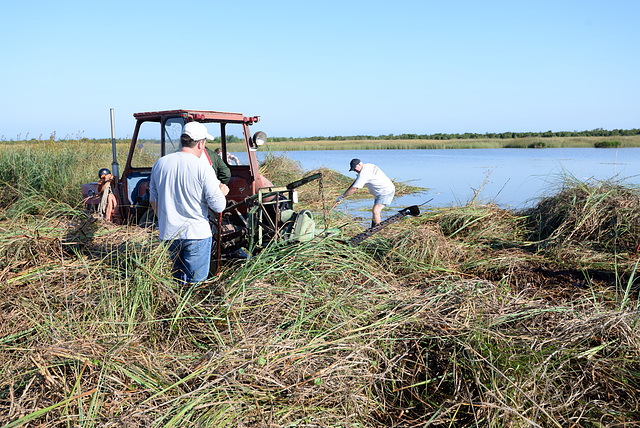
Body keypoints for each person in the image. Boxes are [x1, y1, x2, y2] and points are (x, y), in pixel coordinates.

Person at [149, 121, 229, 284]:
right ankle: (190, 308)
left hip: (169, 235)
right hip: (196, 235)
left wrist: (166, 221)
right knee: (195, 284)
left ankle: (176, 307)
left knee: (176, 281)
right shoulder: (203, 167)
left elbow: (153, 200)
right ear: (200, 143)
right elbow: (219, 206)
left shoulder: (160, 164)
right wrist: (222, 192)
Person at [336, 158, 395, 227]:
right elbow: (355, 183)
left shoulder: (363, 174)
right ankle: (373, 228)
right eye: (354, 170)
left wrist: (342, 197)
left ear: (360, 164)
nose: (355, 171)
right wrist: (343, 195)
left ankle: (378, 230)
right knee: (375, 211)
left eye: (355, 169)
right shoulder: (368, 165)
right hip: (383, 190)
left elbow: (354, 189)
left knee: (376, 211)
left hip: (385, 191)